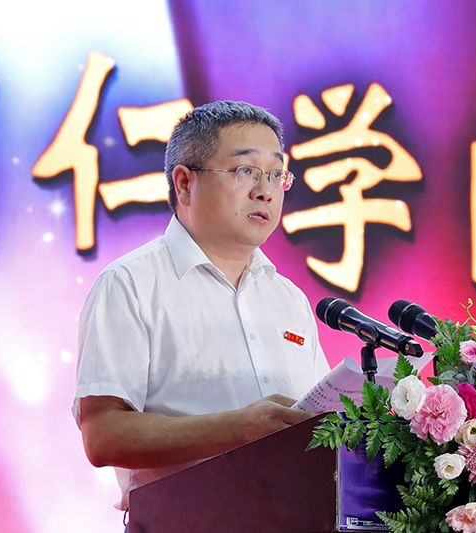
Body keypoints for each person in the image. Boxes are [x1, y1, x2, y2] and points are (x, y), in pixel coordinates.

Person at [73, 100, 331, 511]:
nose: (265, 190)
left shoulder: (288, 299)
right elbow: (103, 435)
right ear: (184, 183)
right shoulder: (131, 283)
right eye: (245, 170)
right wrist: (240, 427)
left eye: (275, 174)